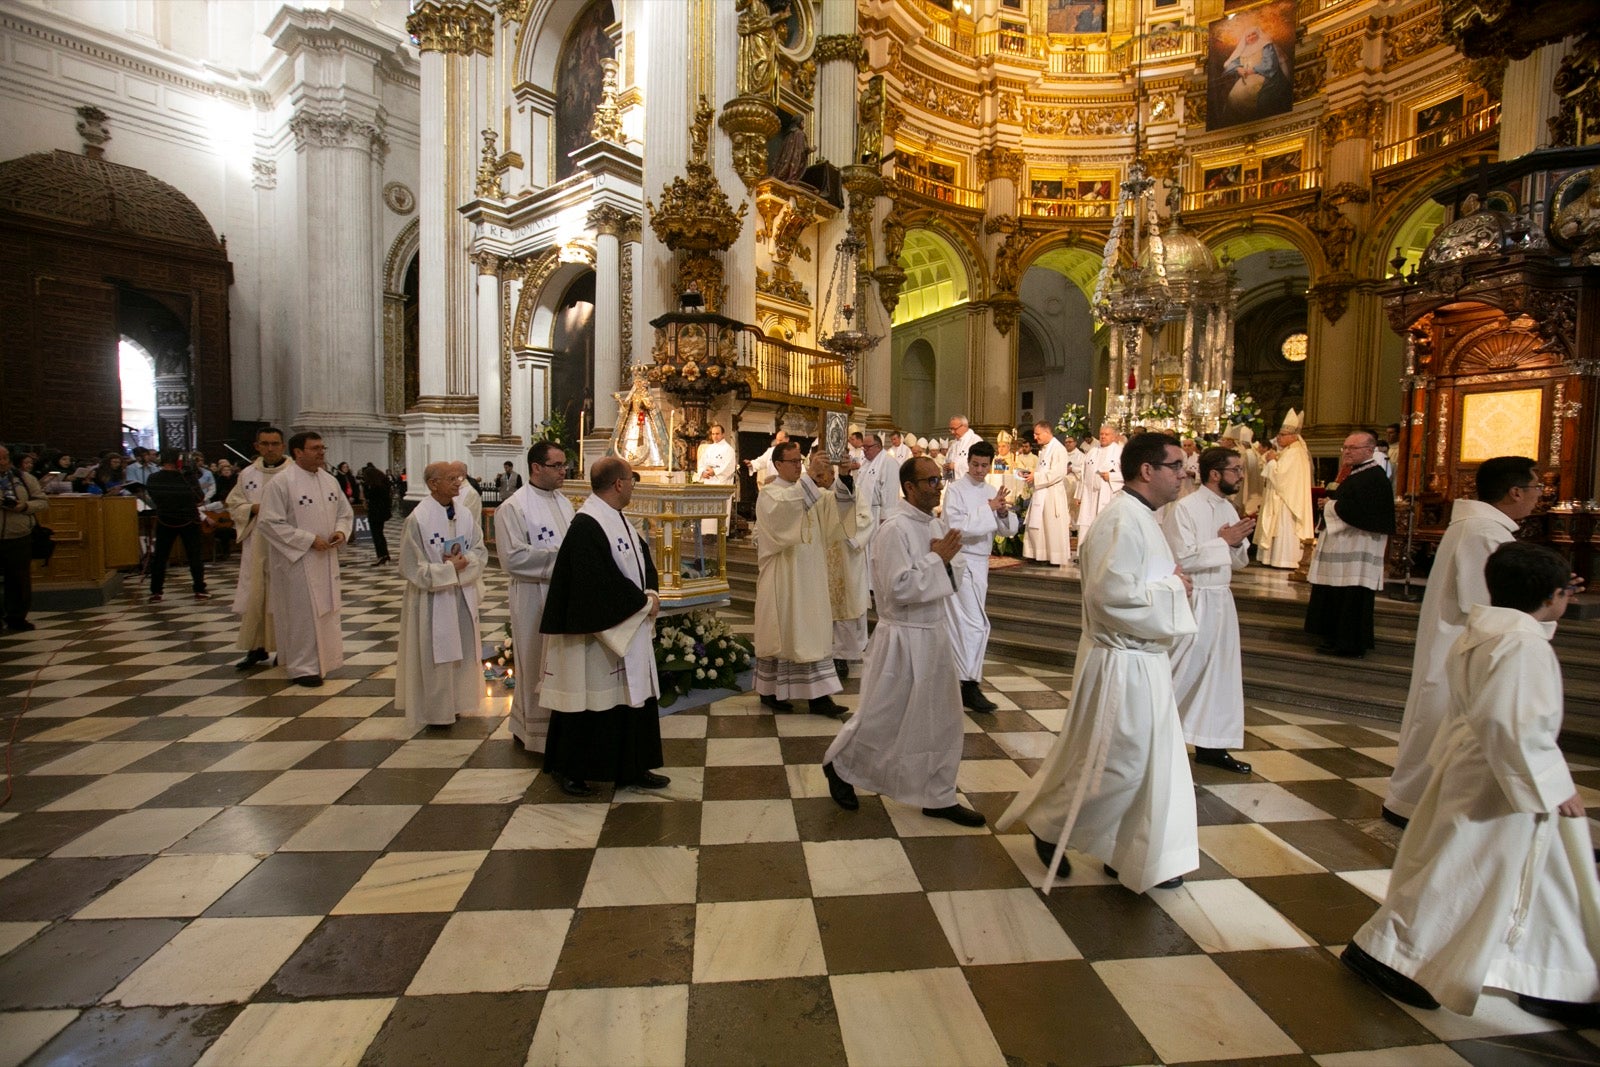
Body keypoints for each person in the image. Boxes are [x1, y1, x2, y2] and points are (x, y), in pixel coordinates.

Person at [1343, 542, 1600, 1022]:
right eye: (1564, 593)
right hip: (1499, 780)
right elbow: (1511, 722)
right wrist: (1552, 783)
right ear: (1552, 595)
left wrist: (1550, 595)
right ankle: (1387, 953)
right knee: (1459, 871)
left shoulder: (1490, 629)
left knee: (1541, 876)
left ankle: (1550, 976)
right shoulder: (1522, 644)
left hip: (1486, 766)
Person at [999, 433, 1198, 894]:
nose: (1183, 474)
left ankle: (1130, 853)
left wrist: (1171, 584)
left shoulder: (1144, 517)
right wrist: (1175, 589)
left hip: (1143, 660)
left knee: (1151, 763)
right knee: (1118, 764)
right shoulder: (1122, 521)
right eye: (1176, 466)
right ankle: (1051, 825)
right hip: (1122, 661)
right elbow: (1109, 597)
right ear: (1147, 470)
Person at [1384, 456, 1548, 827]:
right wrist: (1542, 609)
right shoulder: (1483, 532)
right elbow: (1485, 602)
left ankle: (1417, 803)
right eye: (1537, 487)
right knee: (1438, 726)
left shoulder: (1482, 527)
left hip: (1459, 643)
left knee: (1438, 725)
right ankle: (1409, 805)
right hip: (1463, 646)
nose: (1539, 495)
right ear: (1515, 491)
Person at [823, 456, 984, 827]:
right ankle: (839, 765)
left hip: (934, 633)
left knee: (943, 720)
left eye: (939, 480)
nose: (937, 487)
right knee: (881, 717)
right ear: (909, 487)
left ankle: (938, 794)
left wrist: (944, 561)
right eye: (930, 481)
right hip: (902, 636)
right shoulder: (893, 529)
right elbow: (896, 590)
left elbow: (954, 573)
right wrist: (936, 559)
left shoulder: (936, 523)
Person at [538, 457, 668, 797]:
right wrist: (642, 604)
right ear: (620, 484)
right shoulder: (587, 525)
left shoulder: (620, 519)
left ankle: (632, 766)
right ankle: (572, 770)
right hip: (594, 635)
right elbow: (595, 582)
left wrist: (650, 593)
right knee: (586, 700)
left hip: (626, 624)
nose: (634, 485)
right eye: (632, 480)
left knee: (628, 699)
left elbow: (642, 562)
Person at [1162, 447, 1257, 774]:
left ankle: (1212, 745)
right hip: (1195, 598)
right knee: (1182, 670)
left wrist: (1234, 542)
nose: (1241, 475)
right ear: (1215, 474)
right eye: (1235, 470)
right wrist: (1223, 542)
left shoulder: (1228, 507)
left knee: (1221, 676)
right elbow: (1181, 557)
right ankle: (1156, 740)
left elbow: (1239, 559)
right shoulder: (1185, 508)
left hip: (1221, 599)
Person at [754, 440, 846, 717]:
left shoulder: (808, 491)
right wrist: (809, 478)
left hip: (810, 574)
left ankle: (819, 697)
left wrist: (847, 478)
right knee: (786, 630)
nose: (798, 466)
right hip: (785, 575)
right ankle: (770, 692)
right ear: (778, 464)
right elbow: (785, 514)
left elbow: (836, 509)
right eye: (793, 462)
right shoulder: (770, 493)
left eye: (800, 461)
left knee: (811, 631)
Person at [496, 440, 574, 752]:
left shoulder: (564, 502)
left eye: (564, 464)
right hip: (532, 596)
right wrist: (565, 558)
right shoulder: (513, 507)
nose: (563, 471)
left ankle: (559, 729)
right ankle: (533, 734)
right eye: (557, 465)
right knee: (532, 661)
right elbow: (512, 559)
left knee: (559, 663)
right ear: (536, 468)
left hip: (563, 594)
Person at [397, 461, 487, 728]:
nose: (459, 482)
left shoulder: (465, 514)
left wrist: (464, 562)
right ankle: (435, 710)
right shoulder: (418, 519)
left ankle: (457, 703)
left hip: (461, 594)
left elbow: (480, 550)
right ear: (433, 484)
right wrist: (449, 570)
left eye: (459, 477)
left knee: (462, 650)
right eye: (451, 478)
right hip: (431, 600)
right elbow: (410, 567)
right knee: (434, 654)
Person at [258, 431, 352, 688]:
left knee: (326, 610)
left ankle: (326, 661)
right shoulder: (281, 482)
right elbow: (269, 522)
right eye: (315, 448)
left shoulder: (329, 481)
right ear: (298, 452)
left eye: (323, 447)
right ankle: (303, 667)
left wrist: (340, 531)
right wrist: (308, 539)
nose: (321, 452)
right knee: (302, 613)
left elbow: (345, 513)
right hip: (297, 561)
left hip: (326, 558)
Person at [1305, 431, 1395, 658]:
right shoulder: (1358, 473)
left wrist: (1330, 506)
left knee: (1352, 599)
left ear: (1369, 450)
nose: (1346, 452)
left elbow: (1364, 512)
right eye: (1345, 447)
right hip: (1346, 546)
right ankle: (1335, 637)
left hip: (1358, 550)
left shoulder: (1373, 477)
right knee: (1338, 596)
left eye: (1352, 448)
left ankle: (1349, 644)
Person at [942, 441, 1016, 713]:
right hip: (962, 561)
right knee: (974, 625)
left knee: (967, 625)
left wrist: (1002, 512)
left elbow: (1006, 531)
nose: (979, 470)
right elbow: (956, 527)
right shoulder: (956, 490)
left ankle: (963, 682)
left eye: (984, 465)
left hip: (981, 563)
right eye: (975, 464)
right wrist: (989, 508)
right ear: (968, 461)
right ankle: (969, 684)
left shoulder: (989, 490)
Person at [227, 427, 289, 669]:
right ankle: (256, 647)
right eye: (265, 444)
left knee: (281, 595)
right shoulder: (247, 474)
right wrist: (251, 509)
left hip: (283, 544)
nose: (270, 448)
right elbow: (234, 502)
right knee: (256, 594)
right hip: (256, 543)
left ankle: (284, 648)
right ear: (257, 446)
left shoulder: (293, 473)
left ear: (283, 446)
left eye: (275, 444)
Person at [817, 451, 874, 682]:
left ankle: (842, 656)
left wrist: (848, 534)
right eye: (819, 475)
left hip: (846, 557)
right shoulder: (815, 495)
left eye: (826, 475)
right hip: (821, 559)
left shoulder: (853, 492)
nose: (823, 479)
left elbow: (865, 519)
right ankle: (822, 651)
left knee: (846, 608)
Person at [144, 449, 210, 603]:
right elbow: (199, 498)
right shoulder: (186, 477)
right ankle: (199, 589)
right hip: (188, 520)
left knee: (160, 556)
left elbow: (153, 498)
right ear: (179, 460)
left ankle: (156, 592)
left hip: (165, 519)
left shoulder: (153, 478)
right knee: (194, 556)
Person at [1254, 411, 1313, 568]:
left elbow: (1282, 477)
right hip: (1280, 496)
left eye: (1282, 435)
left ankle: (1284, 559)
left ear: (1293, 436)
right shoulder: (1288, 451)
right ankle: (1271, 558)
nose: (1279, 438)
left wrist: (1272, 462)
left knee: (1283, 527)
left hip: (1287, 500)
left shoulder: (1296, 452)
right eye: (1279, 435)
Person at [0, 446, 47, 633]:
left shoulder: (24, 479)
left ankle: (17, 618)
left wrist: (24, 506)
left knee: (18, 579)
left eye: (5, 458)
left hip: (18, 535)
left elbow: (42, 502)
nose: (2, 462)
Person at [1022, 421, 1071, 565]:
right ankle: (1039, 554)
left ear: (1047, 432)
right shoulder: (1044, 449)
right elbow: (1042, 471)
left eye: (1037, 434)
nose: (1035, 438)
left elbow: (1058, 473)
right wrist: (1032, 476)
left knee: (1051, 526)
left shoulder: (1058, 449)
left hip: (1052, 494)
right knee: (1038, 525)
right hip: (1041, 491)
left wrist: (1036, 477)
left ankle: (1053, 557)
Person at [1075, 423, 1123, 541]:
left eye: (1107, 434)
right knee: (1087, 524)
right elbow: (1083, 473)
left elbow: (1129, 475)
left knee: (1105, 526)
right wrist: (1079, 494)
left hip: (1108, 495)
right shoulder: (1092, 451)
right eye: (1101, 434)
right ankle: (1084, 554)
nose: (1103, 436)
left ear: (1114, 436)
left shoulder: (1120, 452)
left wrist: (1112, 477)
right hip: (1089, 495)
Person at [696, 422, 737, 535]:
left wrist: (715, 471)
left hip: (720, 483)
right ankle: (707, 533)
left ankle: (720, 533)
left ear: (723, 434)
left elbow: (729, 466)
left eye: (717, 434)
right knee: (708, 507)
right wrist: (703, 472)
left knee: (720, 509)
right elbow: (701, 463)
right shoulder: (708, 449)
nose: (715, 436)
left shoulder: (728, 450)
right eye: (713, 434)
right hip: (709, 481)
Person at [856, 433, 897, 524]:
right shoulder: (866, 463)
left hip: (877, 514)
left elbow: (890, 493)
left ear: (878, 446)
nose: (864, 450)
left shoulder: (889, 462)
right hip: (863, 511)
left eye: (868, 447)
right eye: (863, 447)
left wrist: (885, 517)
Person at [360, 461, 393, 565]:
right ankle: (385, 554)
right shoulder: (383, 484)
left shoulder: (373, 487)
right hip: (383, 512)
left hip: (375, 512)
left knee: (376, 535)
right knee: (380, 534)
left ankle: (381, 555)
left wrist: (363, 487)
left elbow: (367, 496)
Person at [945, 414, 981, 482]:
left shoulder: (976, 441)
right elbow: (948, 463)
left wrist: (955, 466)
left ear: (964, 426)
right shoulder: (954, 444)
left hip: (970, 485)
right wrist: (946, 468)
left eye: (954, 429)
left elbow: (978, 464)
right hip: (953, 484)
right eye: (951, 429)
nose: (952, 432)